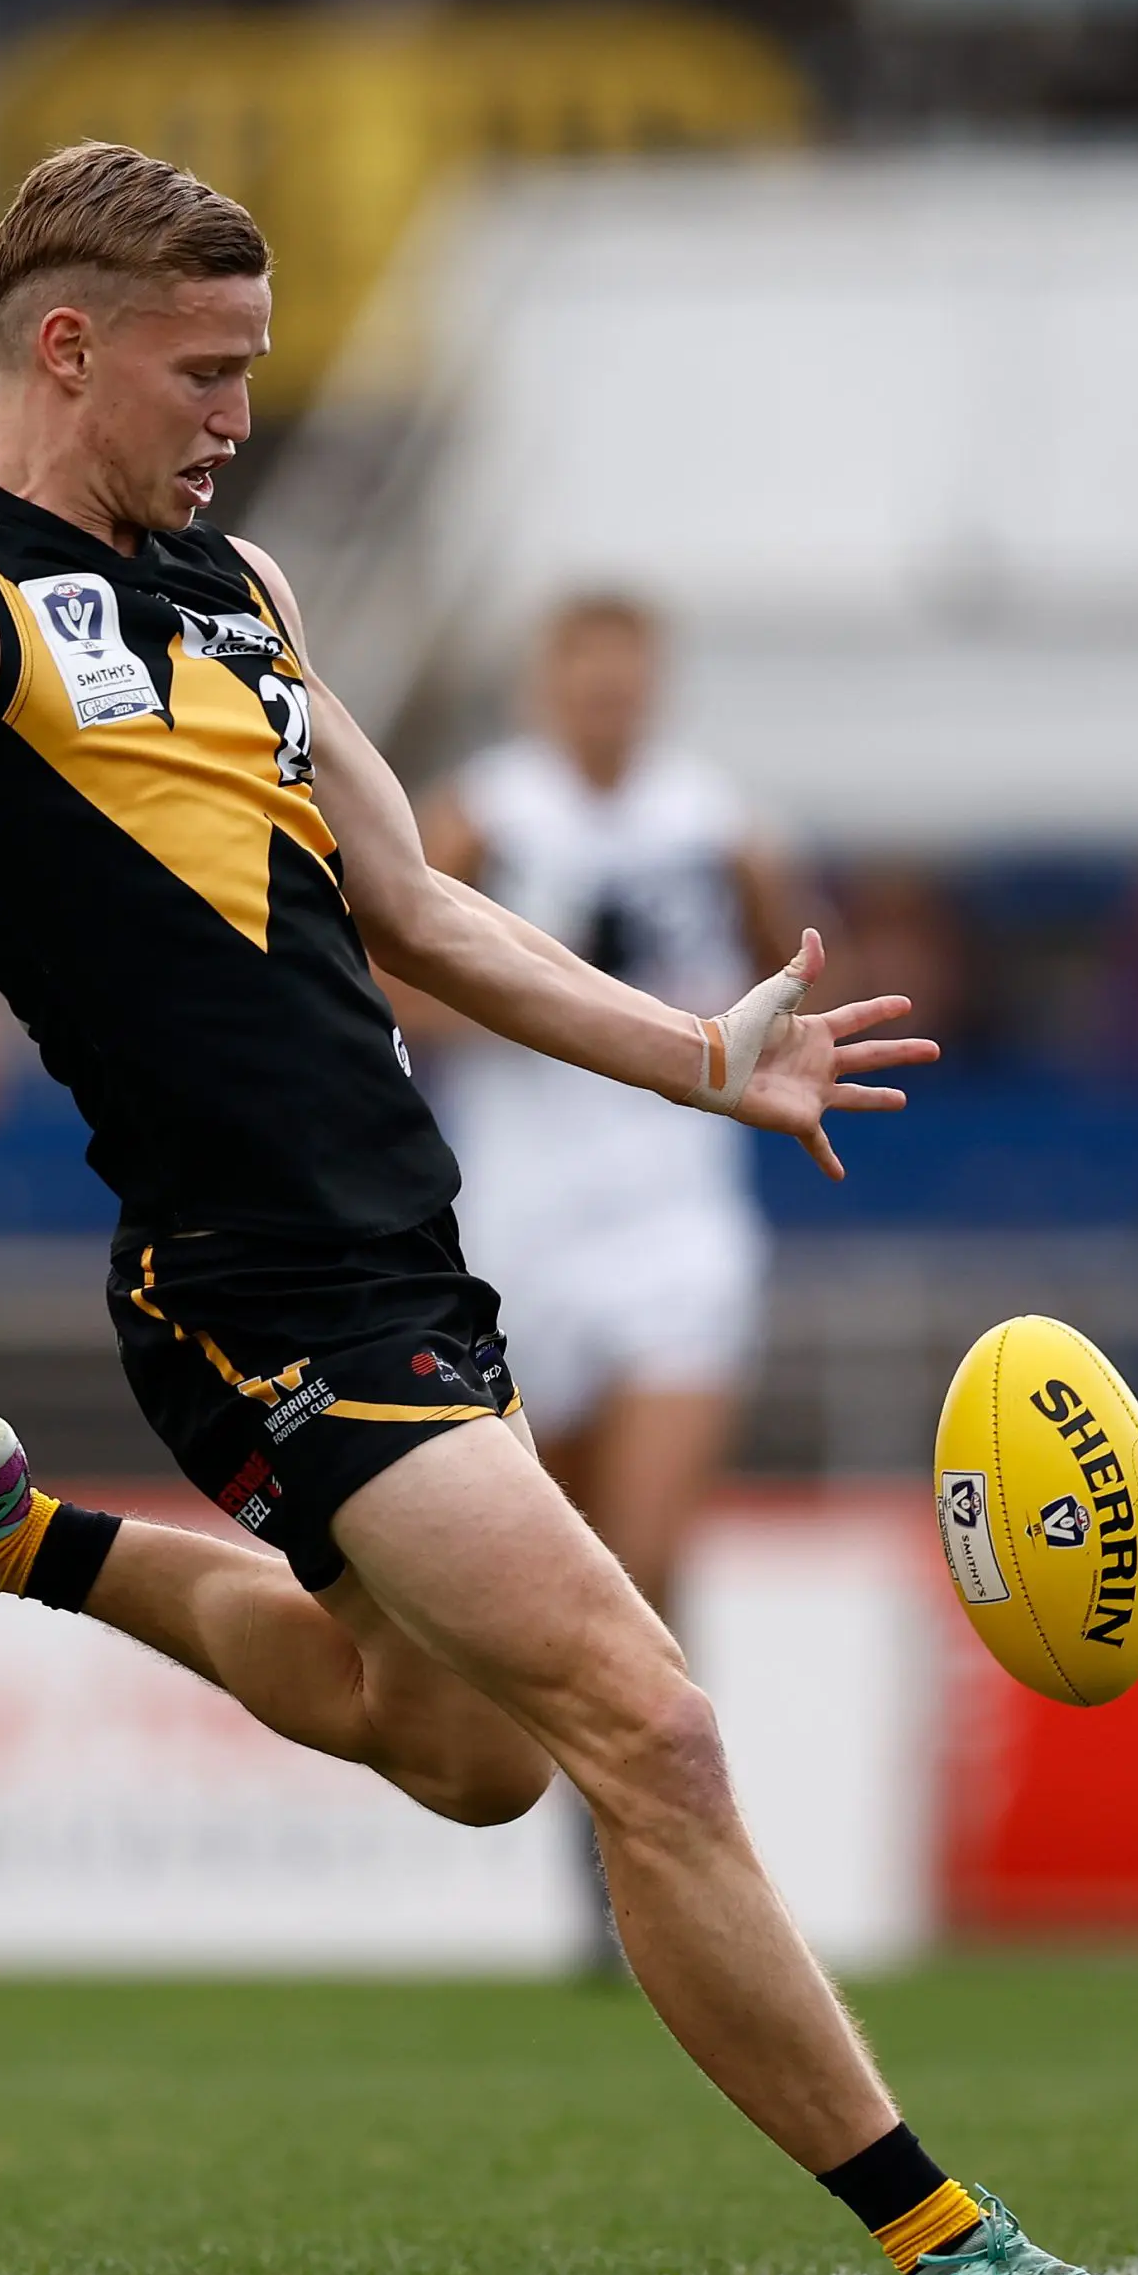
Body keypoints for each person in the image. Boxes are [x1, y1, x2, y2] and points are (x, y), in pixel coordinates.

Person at [0, 141, 1138, 2275]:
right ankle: (944, 2241)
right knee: (653, 1733)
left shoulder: (246, 598)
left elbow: (417, 909)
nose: (239, 412)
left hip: (400, 1258)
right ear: (64, 348)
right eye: (203, 368)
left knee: (462, 1750)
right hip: (255, 1282)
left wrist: (703, 1054)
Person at [415, 595, 792, 1624]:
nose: (604, 707)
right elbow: (388, 986)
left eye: (623, 686)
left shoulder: (716, 830)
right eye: (585, 684)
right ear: (544, 690)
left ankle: (662, 1777)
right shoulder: (485, 817)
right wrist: (548, 998)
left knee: (647, 1550)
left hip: (672, 1220)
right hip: (524, 1220)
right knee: (563, 1571)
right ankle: (603, 1778)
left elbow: (794, 980)